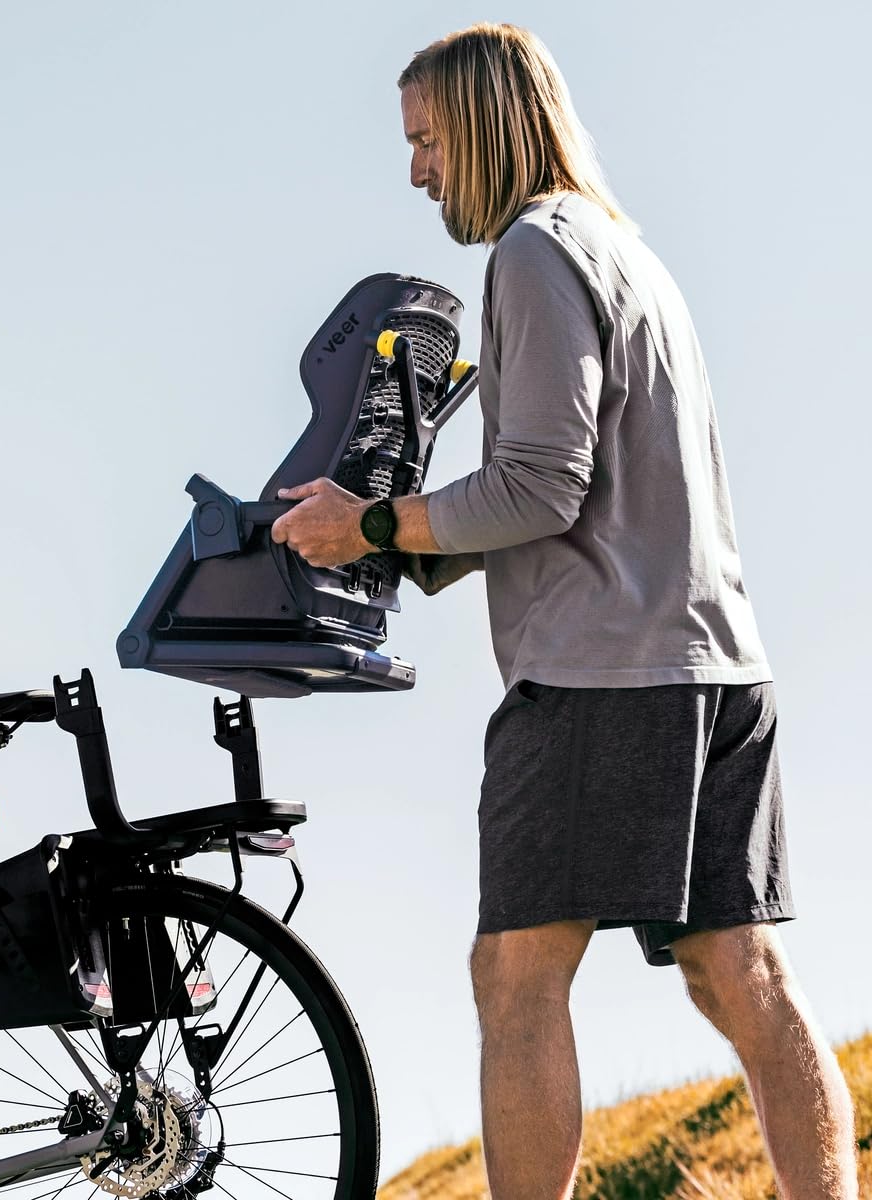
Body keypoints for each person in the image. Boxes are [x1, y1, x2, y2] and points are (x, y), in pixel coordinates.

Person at [270, 22, 858, 1200]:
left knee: (515, 975)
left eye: (427, 141)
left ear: (483, 128)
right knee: (742, 975)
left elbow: (542, 485)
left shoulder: (533, 255)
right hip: (717, 668)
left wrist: (374, 527)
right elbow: (597, 495)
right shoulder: (629, 255)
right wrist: (427, 550)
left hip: (600, 683)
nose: (418, 172)